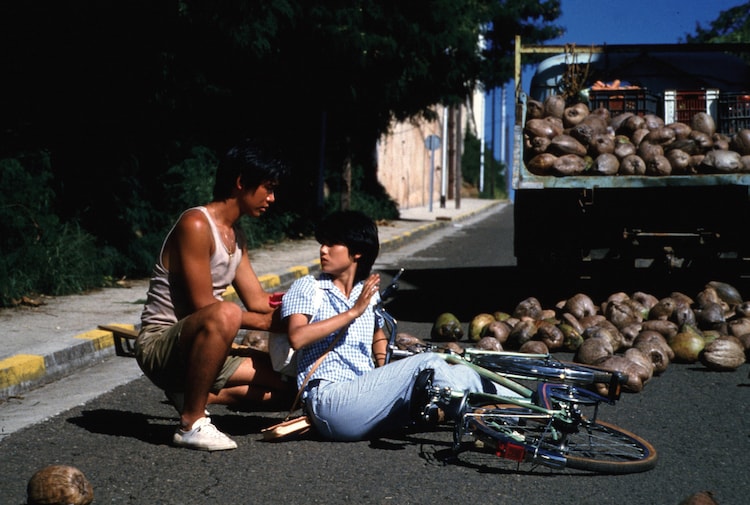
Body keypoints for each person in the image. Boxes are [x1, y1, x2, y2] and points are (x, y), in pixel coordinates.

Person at [281, 210, 495, 441]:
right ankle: (482, 422)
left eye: (332, 244)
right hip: (330, 401)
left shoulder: (366, 294)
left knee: (461, 370)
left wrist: (385, 370)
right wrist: (353, 312)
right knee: (427, 363)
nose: (323, 250)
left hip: (366, 395)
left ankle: (529, 404)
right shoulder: (309, 288)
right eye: (323, 243)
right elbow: (297, 337)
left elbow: (378, 337)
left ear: (357, 252)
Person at [135, 139, 293, 451]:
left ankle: (193, 392)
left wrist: (304, 302)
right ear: (240, 182)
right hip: (162, 343)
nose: (272, 198)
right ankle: (191, 423)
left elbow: (260, 301)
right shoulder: (195, 224)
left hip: (203, 347)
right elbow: (204, 306)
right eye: (268, 187)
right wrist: (269, 325)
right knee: (226, 311)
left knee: (292, 389)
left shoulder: (236, 235)